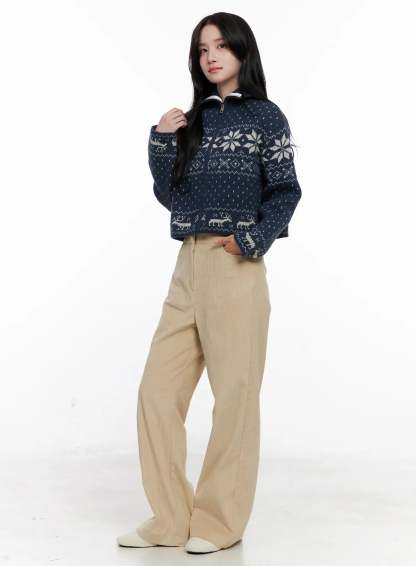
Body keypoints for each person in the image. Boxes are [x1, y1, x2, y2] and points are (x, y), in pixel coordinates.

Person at [117, 11, 302, 554]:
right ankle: (170, 519)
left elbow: (286, 190)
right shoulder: (193, 120)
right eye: (202, 50)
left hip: (235, 266)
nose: (211, 57)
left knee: (235, 398)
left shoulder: (266, 117)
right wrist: (161, 140)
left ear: (243, 51)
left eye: (221, 46)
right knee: (157, 393)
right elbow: (173, 196)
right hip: (188, 266)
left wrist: (251, 240)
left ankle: (220, 523)